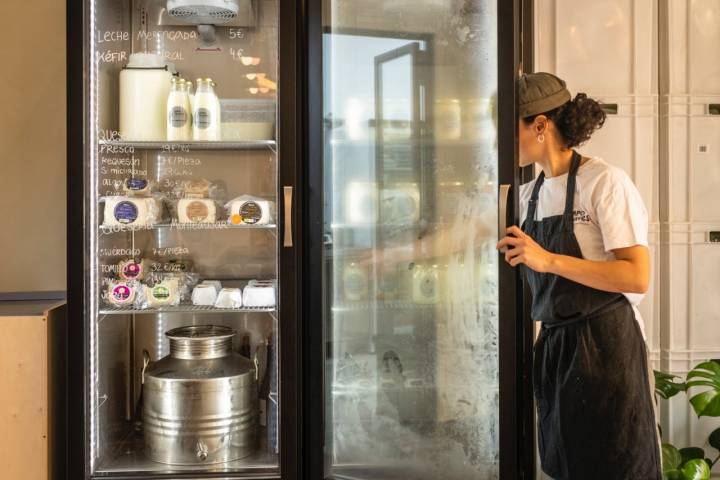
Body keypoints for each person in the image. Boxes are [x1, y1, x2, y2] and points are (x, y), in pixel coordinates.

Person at [496, 72, 661, 479]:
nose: (501, 141)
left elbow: (637, 276)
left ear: (539, 125)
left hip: (607, 347)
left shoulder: (605, 182)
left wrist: (549, 260)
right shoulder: (528, 193)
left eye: (507, 128)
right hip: (556, 349)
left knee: (617, 465)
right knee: (567, 466)